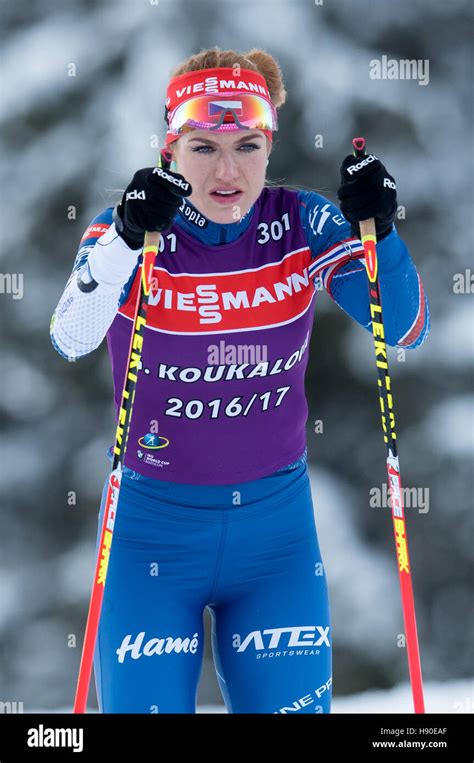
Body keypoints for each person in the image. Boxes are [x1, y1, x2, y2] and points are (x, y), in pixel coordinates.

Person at [50, 47, 429, 714]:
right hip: (149, 538)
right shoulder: (132, 230)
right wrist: (123, 243)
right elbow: (70, 335)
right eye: (203, 146)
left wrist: (382, 232)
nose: (228, 170)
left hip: (275, 541)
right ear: (171, 148)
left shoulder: (301, 222)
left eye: (248, 145)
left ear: (269, 144)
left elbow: (404, 326)